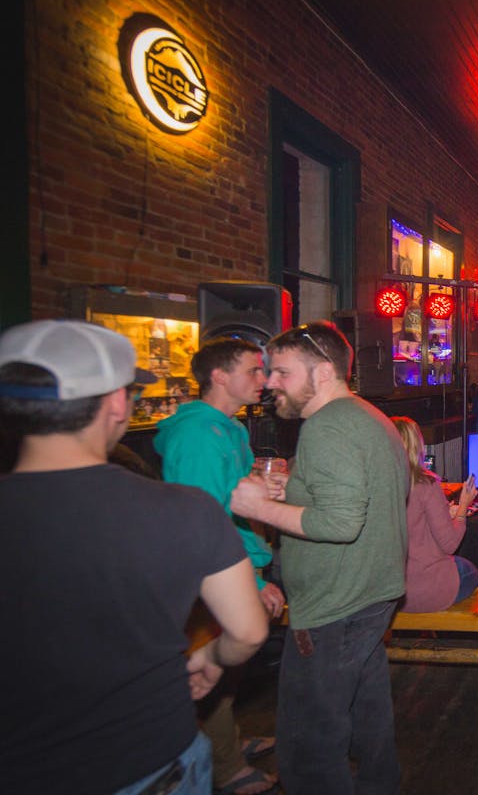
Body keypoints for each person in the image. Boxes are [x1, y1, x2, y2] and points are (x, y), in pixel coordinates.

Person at [0, 320, 267, 794]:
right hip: (147, 760)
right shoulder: (183, 510)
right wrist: (210, 655)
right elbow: (247, 631)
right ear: (117, 403)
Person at [230, 320, 407, 794]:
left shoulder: (327, 428)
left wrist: (258, 507)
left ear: (324, 372)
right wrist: (295, 488)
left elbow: (341, 523)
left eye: (282, 372)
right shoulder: (368, 416)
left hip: (335, 608)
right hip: (372, 596)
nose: (269, 383)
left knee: (309, 748)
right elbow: (358, 495)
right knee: (368, 722)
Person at [154, 337, 284, 795]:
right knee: (210, 662)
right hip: (212, 572)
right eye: (254, 371)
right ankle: (224, 768)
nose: (265, 381)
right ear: (220, 377)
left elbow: (235, 499)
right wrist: (250, 579)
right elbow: (205, 519)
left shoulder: (230, 429)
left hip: (239, 559)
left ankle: (227, 741)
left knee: (231, 663)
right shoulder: (197, 434)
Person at [391, 417, 478, 611]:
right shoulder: (425, 484)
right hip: (424, 587)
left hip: (390, 589)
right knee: (472, 571)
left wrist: (445, 512)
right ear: (417, 445)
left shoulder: (376, 483)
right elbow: (450, 544)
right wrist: (463, 507)